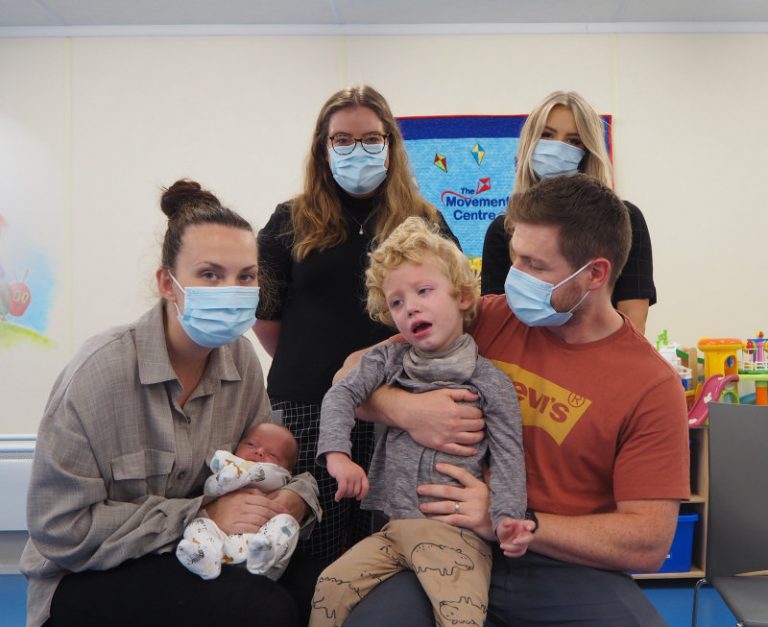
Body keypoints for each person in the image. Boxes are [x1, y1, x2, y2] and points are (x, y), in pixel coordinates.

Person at [342, 174, 690, 627]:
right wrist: (407, 410)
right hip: (443, 541)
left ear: (595, 273)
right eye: (515, 259)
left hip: (559, 565)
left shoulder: (650, 385)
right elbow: (349, 372)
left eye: (535, 265)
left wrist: (514, 521)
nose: (515, 278)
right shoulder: (486, 318)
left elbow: (649, 540)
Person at [21, 179, 322, 627]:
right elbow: (61, 528)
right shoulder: (99, 376)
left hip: (201, 551)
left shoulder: (242, 361)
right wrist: (199, 513)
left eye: (246, 277)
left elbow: (263, 465)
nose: (231, 291)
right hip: (87, 572)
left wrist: (295, 499)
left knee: (324, 586)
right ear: (167, 282)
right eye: (209, 275)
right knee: (262, 611)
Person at [254, 84, 459, 566]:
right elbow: (266, 322)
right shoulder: (290, 220)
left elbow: (455, 312)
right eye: (341, 140)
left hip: (403, 411)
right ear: (323, 150)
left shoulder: (425, 222)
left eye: (370, 138)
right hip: (307, 411)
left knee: (392, 554)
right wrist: (327, 372)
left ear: (390, 144)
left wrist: (371, 369)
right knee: (308, 552)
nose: (356, 150)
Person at [309, 217, 530, 627]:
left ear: (463, 296)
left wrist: (507, 519)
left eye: (423, 291)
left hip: (454, 535)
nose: (410, 306)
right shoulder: (385, 361)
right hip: (390, 531)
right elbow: (341, 392)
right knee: (330, 585)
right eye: (396, 302)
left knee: (459, 617)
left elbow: (508, 457)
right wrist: (337, 454)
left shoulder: (489, 382)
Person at [480, 90, 656, 334]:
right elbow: (497, 322)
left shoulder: (625, 220)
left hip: (601, 363)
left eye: (574, 141)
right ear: (530, 142)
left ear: (588, 150)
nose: (558, 149)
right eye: (547, 135)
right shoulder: (503, 229)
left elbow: (633, 323)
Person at [177, 422, 302, 581]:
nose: (259, 451)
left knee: (287, 523)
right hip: (219, 539)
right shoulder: (224, 471)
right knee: (198, 523)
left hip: (258, 545)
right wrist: (229, 475)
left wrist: (243, 471)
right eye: (251, 444)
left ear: (287, 471)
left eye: (273, 454)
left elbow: (270, 476)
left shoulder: (279, 479)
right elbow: (210, 489)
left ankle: (264, 554)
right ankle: (202, 556)